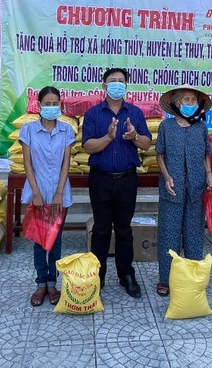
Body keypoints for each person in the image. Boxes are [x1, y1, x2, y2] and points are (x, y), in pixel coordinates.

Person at [82, 68, 152, 298]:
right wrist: (108, 138)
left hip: (127, 180)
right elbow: (88, 146)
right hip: (100, 179)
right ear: (103, 86)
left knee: (124, 229)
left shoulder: (135, 113)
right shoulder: (93, 114)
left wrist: (134, 136)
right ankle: (97, 276)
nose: (117, 85)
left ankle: (126, 274)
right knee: (101, 230)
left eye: (121, 81)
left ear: (126, 86)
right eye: (112, 81)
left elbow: (145, 144)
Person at [155, 84, 212, 297]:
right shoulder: (166, 127)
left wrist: (208, 174)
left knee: (194, 236)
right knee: (169, 236)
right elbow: (159, 154)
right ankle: (166, 279)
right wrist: (167, 175)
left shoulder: (200, 128)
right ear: (177, 103)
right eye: (186, 100)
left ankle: (192, 278)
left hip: (196, 190)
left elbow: (206, 153)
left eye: (193, 100)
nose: (190, 104)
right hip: (172, 189)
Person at [19, 86, 74, 307]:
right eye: (47, 103)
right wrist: (37, 193)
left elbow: (66, 163)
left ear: (60, 105)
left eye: (55, 103)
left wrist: (59, 193)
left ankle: (53, 283)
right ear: (39, 106)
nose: (51, 107)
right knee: (40, 241)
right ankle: (41, 283)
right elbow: (27, 164)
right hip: (38, 191)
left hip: (61, 193)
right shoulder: (28, 130)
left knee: (57, 241)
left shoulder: (67, 130)